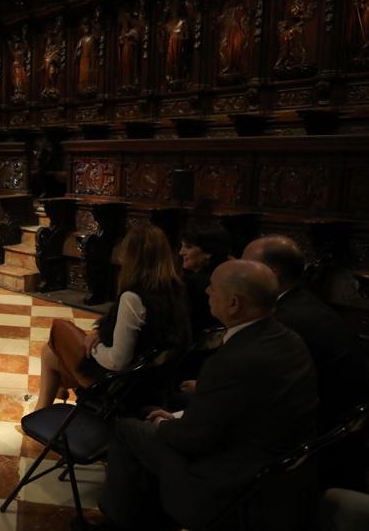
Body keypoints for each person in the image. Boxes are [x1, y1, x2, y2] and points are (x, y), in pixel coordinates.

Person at [98, 260, 318, 530]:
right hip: (274, 467)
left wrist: (164, 424)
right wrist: (180, 416)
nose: (206, 293)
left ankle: (116, 521)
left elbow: (193, 439)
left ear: (234, 303)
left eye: (213, 289)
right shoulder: (290, 340)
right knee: (175, 405)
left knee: (127, 429)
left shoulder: (232, 360)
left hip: (226, 481)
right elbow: (236, 407)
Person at [242, 235, 368, 490]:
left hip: (316, 443)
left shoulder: (285, 321)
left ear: (271, 273)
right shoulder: (302, 301)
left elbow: (263, 397)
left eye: (246, 266)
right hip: (341, 432)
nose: (240, 271)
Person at [33, 224, 190, 412]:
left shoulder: (133, 298)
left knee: (59, 329)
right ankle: (39, 412)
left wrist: (92, 344)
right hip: (153, 379)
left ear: (132, 257)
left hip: (120, 385)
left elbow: (118, 361)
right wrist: (103, 333)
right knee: (49, 354)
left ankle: (47, 407)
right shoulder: (174, 290)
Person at [179, 223, 231, 335]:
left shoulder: (193, 282)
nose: (181, 252)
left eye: (188, 247)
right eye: (181, 246)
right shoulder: (228, 274)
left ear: (208, 252)